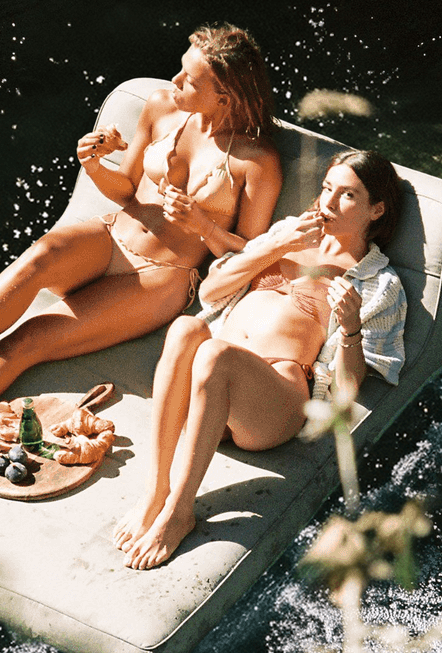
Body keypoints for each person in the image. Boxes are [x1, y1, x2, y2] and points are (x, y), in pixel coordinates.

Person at [0, 25, 283, 457]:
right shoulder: (163, 107)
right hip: (113, 234)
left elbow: (253, 257)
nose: (175, 81)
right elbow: (126, 189)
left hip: (159, 277)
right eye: (180, 69)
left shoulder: (255, 161)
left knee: (27, 342)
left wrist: (203, 226)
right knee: (39, 256)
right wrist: (92, 164)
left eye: (190, 80)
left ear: (223, 98)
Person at [115, 150, 408, 570]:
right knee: (185, 330)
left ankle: (179, 511)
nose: (327, 202)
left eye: (347, 195)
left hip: (273, 404)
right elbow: (212, 293)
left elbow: (350, 387)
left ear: (375, 209)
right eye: (327, 188)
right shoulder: (289, 233)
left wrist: (350, 329)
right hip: (206, 395)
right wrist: (276, 245)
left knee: (214, 353)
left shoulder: (378, 283)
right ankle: (155, 493)